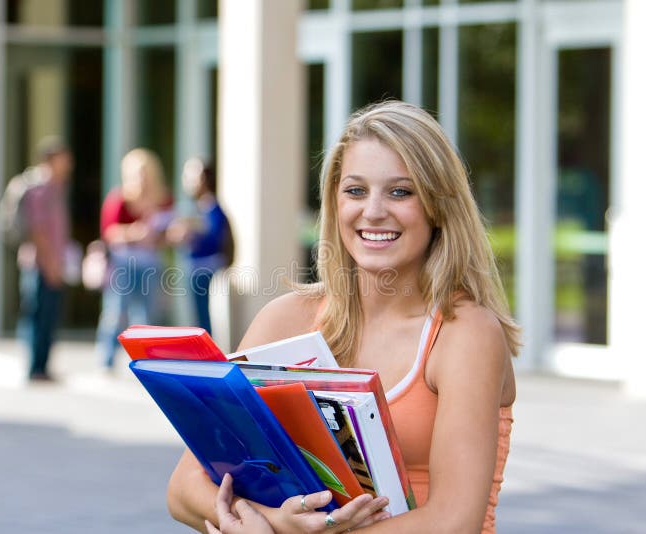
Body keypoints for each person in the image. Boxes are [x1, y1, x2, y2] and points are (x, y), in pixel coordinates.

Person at [167, 100, 519, 533]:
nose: (373, 211)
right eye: (356, 190)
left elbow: (453, 522)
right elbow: (184, 487)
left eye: (400, 191)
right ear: (334, 203)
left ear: (438, 206)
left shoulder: (466, 333)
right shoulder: (285, 320)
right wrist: (275, 523)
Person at [95, 148, 173, 369]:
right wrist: (135, 232)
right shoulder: (119, 198)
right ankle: (106, 358)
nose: (143, 178)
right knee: (116, 312)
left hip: (151, 263)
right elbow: (108, 232)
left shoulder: (164, 199)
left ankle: (148, 362)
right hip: (124, 263)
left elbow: (166, 234)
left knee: (149, 314)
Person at [17, 137, 74, 382]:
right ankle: (35, 367)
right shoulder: (39, 189)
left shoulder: (56, 188)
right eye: (64, 158)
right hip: (40, 265)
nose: (69, 164)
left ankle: (42, 366)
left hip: (52, 263)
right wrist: (50, 264)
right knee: (38, 316)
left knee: (49, 317)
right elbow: (38, 231)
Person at [166, 157, 232, 333]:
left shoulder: (211, 208)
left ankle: (205, 351)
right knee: (197, 313)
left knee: (201, 314)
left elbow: (215, 239)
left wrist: (190, 235)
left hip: (205, 267)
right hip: (196, 266)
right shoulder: (200, 208)